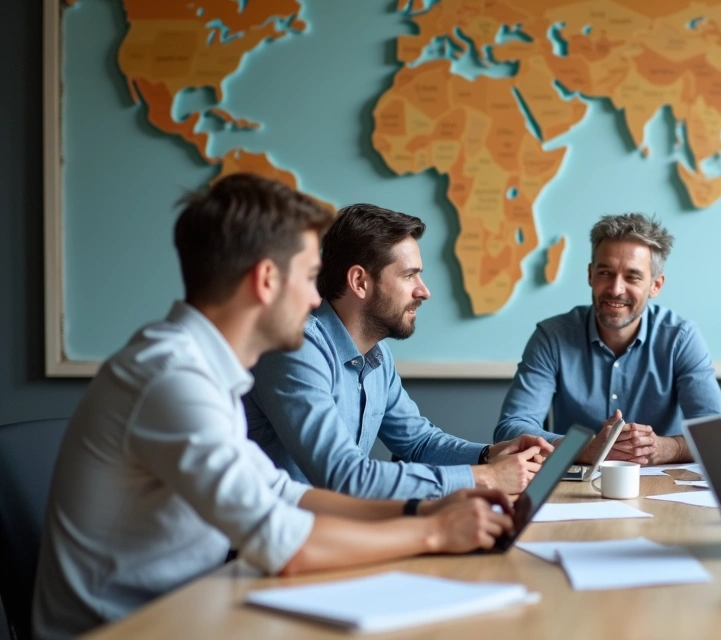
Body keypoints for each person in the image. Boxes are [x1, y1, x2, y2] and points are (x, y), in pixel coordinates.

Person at [32, 175, 513, 640]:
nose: (315, 298)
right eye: (308, 278)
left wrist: (423, 507)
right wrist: (432, 531)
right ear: (266, 280)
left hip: (192, 611)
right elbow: (284, 543)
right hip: (132, 629)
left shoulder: (202, 369)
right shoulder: (173, 378)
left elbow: (283, 494)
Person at [245, 204, 554, 499]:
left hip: (333, 532)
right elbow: (343, 476)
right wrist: (484, 477)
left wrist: (488, 455)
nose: (424, 290)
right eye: (409, 275)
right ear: (359, 282)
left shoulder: (377, 355)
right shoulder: (296, 348)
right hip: (268, 544)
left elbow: (419, 443)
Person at [493, 213, 721, 465]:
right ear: (590, 275)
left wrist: (666, 448)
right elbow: (510, 428)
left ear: (656, 285)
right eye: (605, 273)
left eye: (632, 277)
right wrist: (585, 448)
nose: (616, 289)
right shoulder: (552, 337)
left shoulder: (681, 338)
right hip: (571, 490)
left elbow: (720, 437)